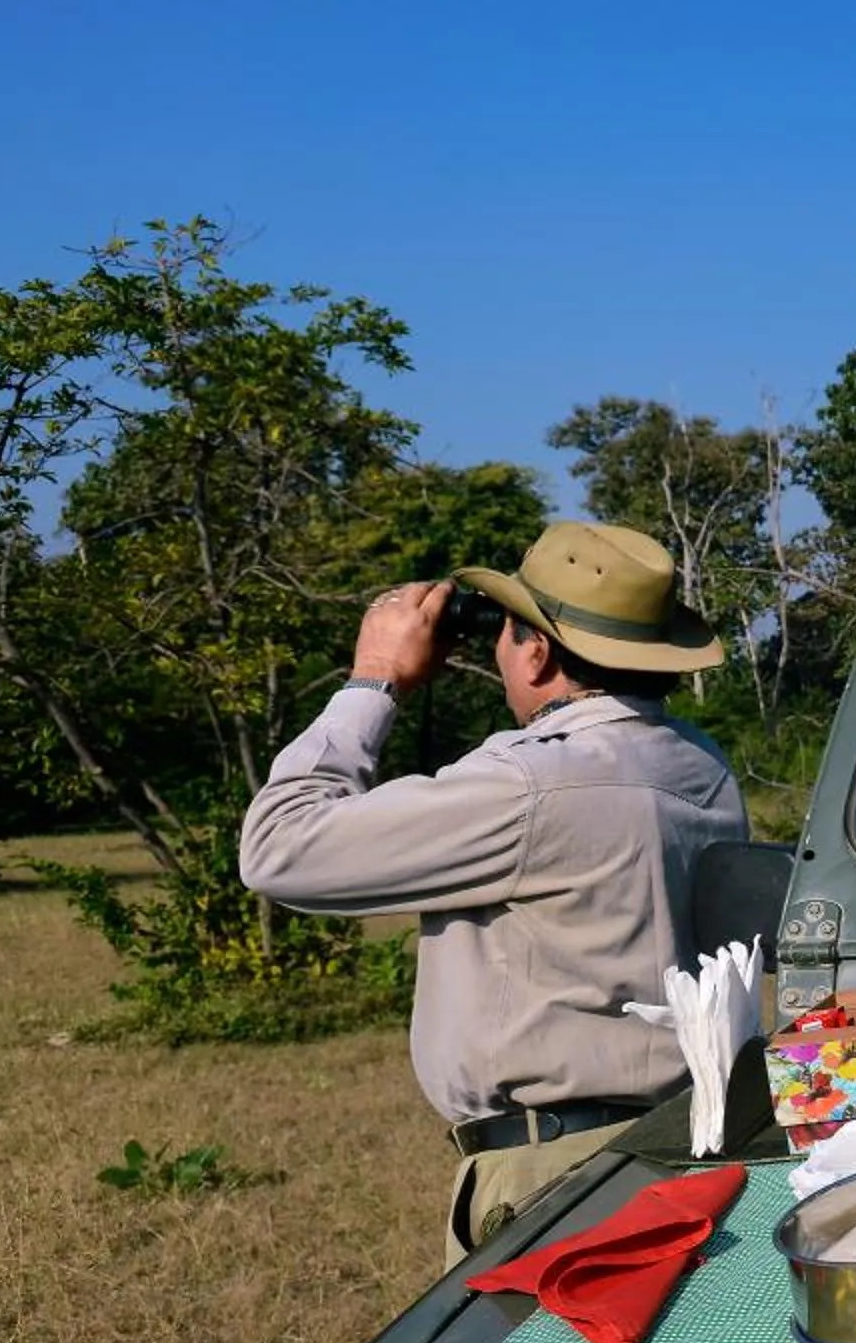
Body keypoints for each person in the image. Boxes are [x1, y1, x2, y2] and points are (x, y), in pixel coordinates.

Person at [241, 522, 748, 1263]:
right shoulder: (701, 766)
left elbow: (277, 847)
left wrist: (374, 680)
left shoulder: (528, 783)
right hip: (685, 1140)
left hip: (554, 1177)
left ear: (537, 652)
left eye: (508, 634)